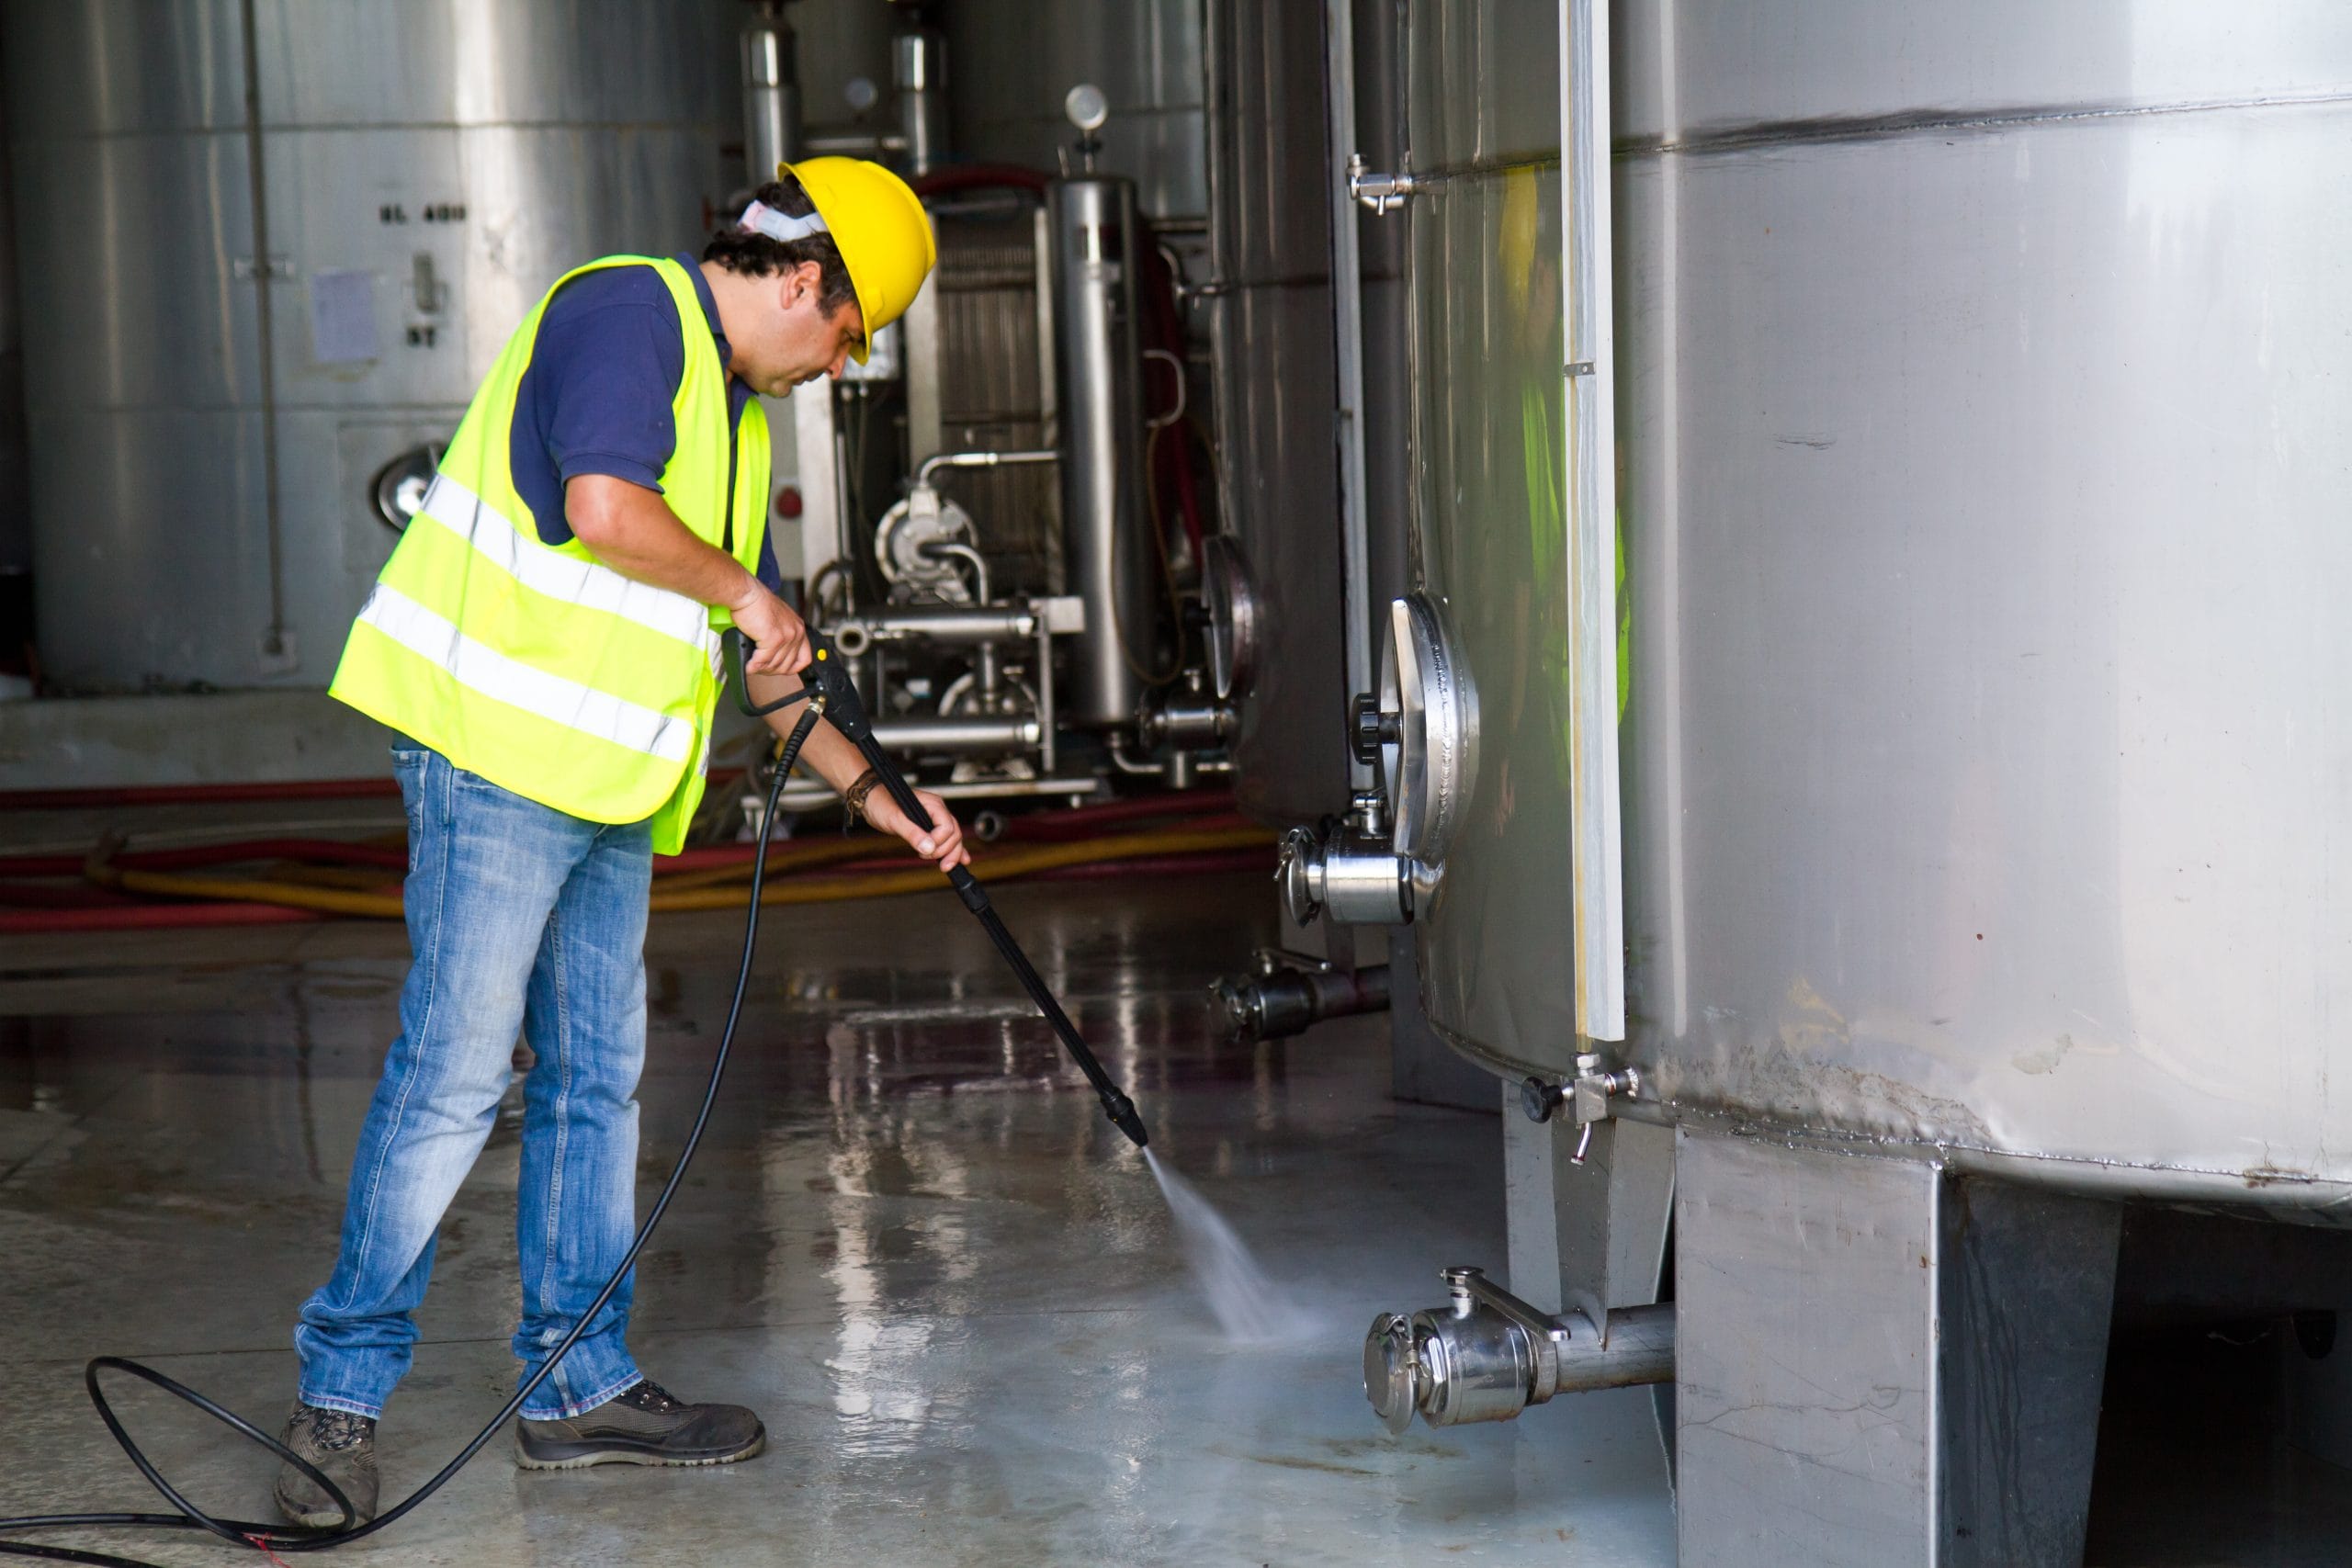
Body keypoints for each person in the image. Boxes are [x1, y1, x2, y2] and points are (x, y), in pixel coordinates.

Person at [273, 159, 965, 1528]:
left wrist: (877, 788)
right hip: (490, 758)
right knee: (457, 1077)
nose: (836, 364)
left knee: (599, 1082)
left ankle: (577, 1388)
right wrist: (751, 598)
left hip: (605, 794)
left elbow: (761, 658)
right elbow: (606, 511)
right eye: (845, 336)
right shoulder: (625, 314)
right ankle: (336, 1403)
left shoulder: (741, 421)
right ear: (807, 282)